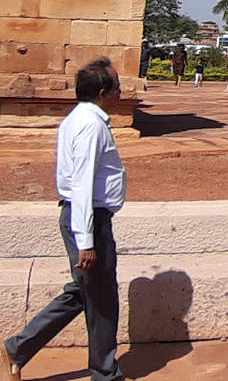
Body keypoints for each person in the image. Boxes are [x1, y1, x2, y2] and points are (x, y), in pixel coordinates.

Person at [3, 58, 127, 381]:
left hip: (84, 218)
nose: (121, 90)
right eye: (117, 85)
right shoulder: (90, 126)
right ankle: (105, 372)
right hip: (88, 221)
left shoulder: (81, 119)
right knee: (101, 300)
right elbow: (82, 185)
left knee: (82, 292)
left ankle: (19, 348)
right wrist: (86, 240)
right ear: (103, 92)